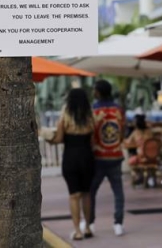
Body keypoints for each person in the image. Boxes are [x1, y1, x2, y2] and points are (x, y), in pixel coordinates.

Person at [48, 88, 95, 240]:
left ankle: (78, 231)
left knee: (74, 195)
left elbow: (59, 139)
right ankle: (87, 227)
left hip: (71, 158)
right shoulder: (90, 117)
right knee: (87, 194)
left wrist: (49, 138)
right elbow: (93, 141)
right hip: (87, 157)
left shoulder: (65, 118)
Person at [86, 79, 125, 236]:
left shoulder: (93, 110)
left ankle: (90, 222)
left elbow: (90, 133)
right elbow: (122, 131)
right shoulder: (118, 110)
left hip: (98, 156)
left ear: (99, 92)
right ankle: (118, 223)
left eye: (95, 90)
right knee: (118, 191)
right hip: (115, 155)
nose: (93, 92)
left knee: (91, 191)